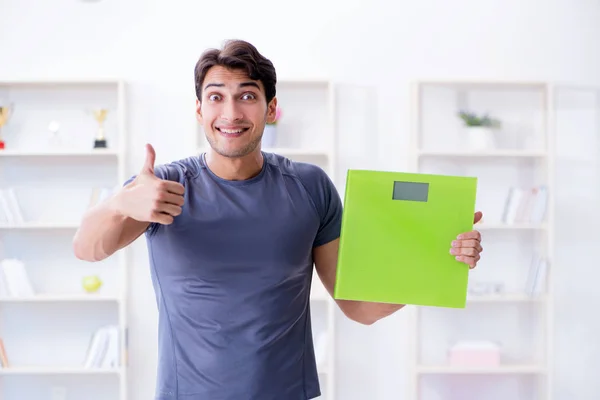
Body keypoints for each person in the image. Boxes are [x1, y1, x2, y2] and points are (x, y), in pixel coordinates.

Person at [72, 39, 484, 400]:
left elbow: (360, 306)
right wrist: (120, 203)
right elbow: (87, 249)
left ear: (271, 108)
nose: (231, 112)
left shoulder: (309, 187)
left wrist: (438, 258)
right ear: (199, 110)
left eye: (247, 96)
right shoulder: (162, 186)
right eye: (216, 97)